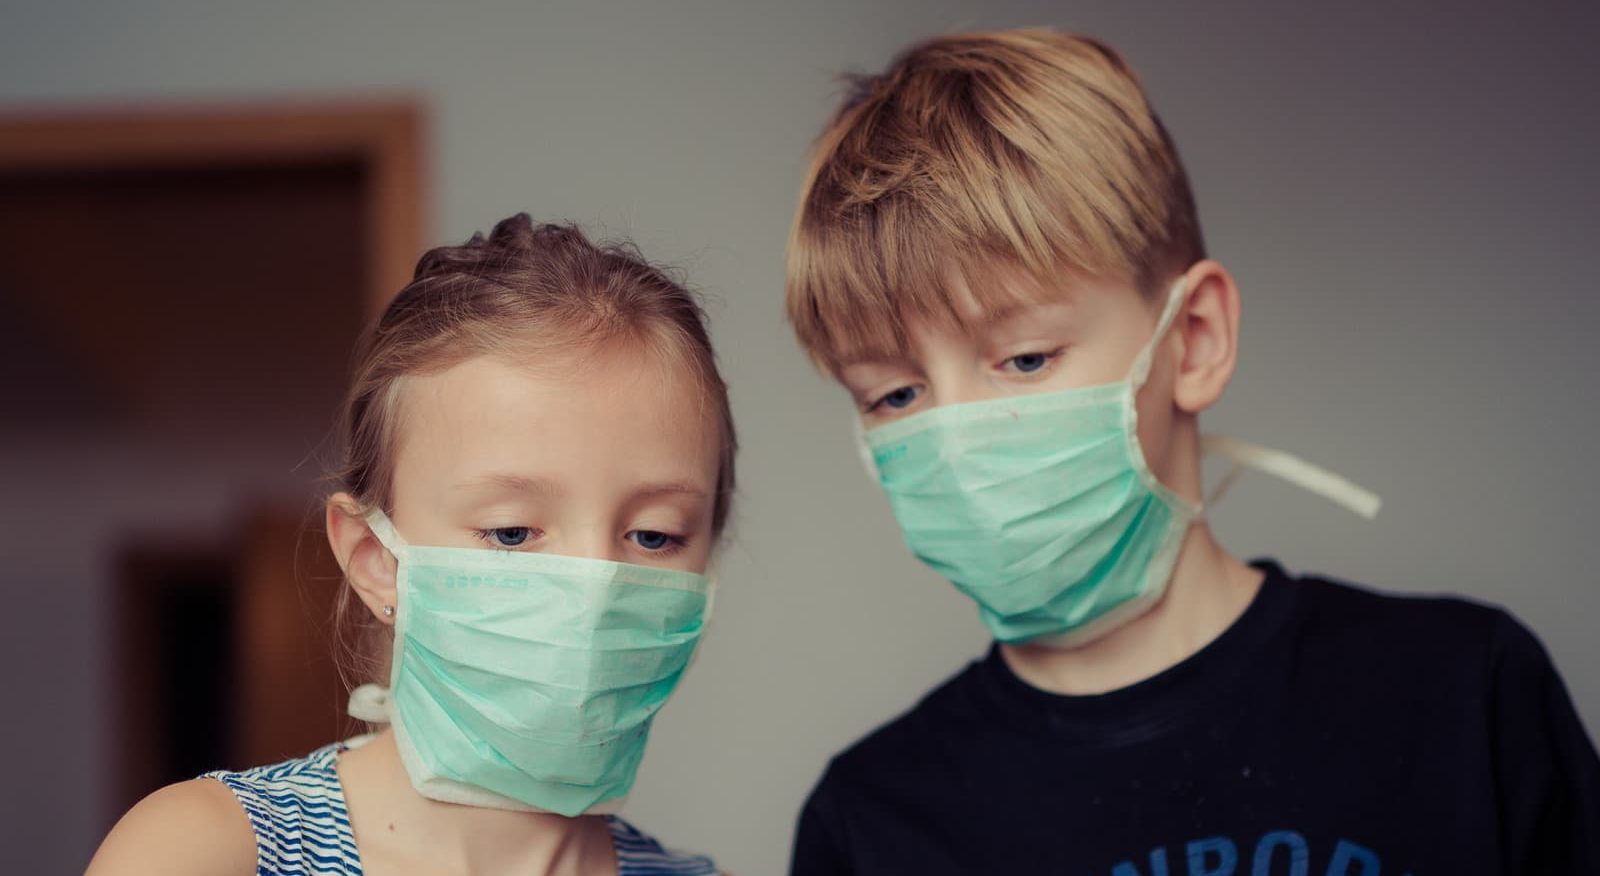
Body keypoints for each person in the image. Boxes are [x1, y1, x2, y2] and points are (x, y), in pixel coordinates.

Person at [783, 29, 1600, 874]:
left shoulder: (1463, 698)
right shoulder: (872, 826)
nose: (956, 443)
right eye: (896, 396)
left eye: (1025, 359)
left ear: (1195, 337)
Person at [88, 214, 733, 876]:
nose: (596, 588)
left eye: (654, 535)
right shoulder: (204, 853)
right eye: (511, 532)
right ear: (375, 560)